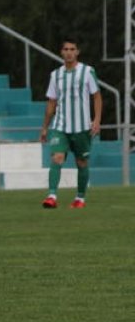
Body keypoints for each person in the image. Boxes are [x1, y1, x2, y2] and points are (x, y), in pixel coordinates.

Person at [39, 37, 102, 209]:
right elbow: (51, 102)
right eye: (66, 49)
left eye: (72, 49)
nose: (69, 52)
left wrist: (96, 120)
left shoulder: (87, 71)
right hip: (60, 125)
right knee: (57, 157)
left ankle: (80, 198)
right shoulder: (55, 75)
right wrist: (45, 127)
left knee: (82, 162)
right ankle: (51, 196)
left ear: (77, 52)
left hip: (82, 127)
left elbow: (96, 96)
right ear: (61, 52)